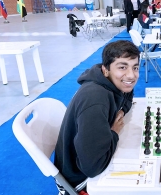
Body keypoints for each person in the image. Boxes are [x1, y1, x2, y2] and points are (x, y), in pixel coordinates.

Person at [54, 40, 140, 194]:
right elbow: (93, 168)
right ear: (105, 69)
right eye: (122, 67)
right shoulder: (95, 99)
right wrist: (113, 133)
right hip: (81, 180)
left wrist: (121, 111)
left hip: (89, 159)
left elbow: (128, 92)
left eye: (135, 67)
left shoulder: (110, 81)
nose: (131, 75)